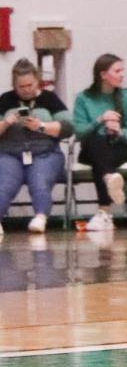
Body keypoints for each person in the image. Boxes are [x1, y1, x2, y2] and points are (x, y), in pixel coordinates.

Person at [72, 52, 127, 231]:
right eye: (117, 71)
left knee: (102, 163)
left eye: (122, 70)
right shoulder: (84, 98)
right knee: (97, 142)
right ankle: (109, 181)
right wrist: (100, 120)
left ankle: (104, 213)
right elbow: (80, 133)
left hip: (122, 148)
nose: (122, 75)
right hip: (93, 147)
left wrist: (120, 132)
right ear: (103, 75)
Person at [0, 59, 71, 236]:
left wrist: (41, 126)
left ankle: (40, 216)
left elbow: (68, 127)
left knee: (40, 182)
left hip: (44, 153)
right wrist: (6, 123)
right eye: (21, 86)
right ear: (14, 85)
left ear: (37, 81)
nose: (26, 90)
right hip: (11, 154)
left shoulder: (49, 98)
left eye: (30, 85)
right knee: (5, 185)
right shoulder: (6, 100)